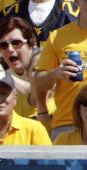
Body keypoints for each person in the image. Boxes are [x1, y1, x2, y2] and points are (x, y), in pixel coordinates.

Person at [33, 0, 87, 140]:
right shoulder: (58, 36)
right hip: (67, 122)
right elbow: (38, 83)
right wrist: (55, 73)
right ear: (78, 2)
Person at [0, 16, 46, 120]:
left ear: (31, 43)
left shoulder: (43, 63)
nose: (10, 49)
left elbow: (36, 90)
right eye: (4, 45)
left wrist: (5, 76)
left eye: (16, 43)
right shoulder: (6, 74)